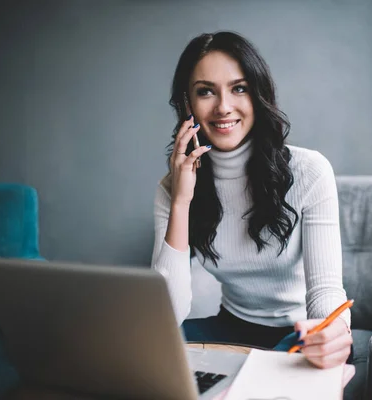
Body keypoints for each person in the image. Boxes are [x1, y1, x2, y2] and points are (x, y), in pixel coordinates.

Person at [151, 31, 353, 370]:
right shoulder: (173, 188)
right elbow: (167, 313)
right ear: (187, 104)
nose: (223, 107)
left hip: (297, 333)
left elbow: (325, 291)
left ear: (257, 95)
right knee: (149, 348)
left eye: (238, 88)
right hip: (230, 327)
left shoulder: (309, 171)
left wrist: (330, 333)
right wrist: (181, 201)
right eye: (205, 92)